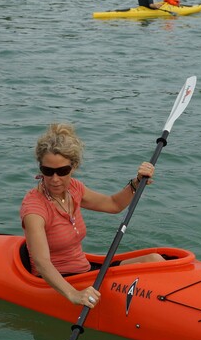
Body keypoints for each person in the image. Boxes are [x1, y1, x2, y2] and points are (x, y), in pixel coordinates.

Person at [21, 123, 164, 309]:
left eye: (62, 171)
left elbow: (113, 204)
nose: (55, 179)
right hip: (60, 282)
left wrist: (136, 183)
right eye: (48, 171)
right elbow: (41, 262)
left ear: (73, 167)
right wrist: (74, 295)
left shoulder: (74, 188)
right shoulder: (34, 208)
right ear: (40, 169)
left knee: (154, 259)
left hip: (85, 271)